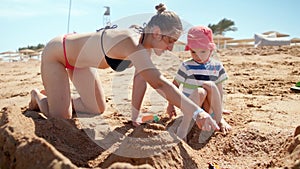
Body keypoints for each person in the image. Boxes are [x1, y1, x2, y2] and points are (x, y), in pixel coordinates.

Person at [29, 3, 219, 139]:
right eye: (170, 41)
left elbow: (141, 80)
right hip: (58, 53)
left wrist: (134, 114)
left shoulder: (146, 48)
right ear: (156, 32)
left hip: (81, 63)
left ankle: (59, 98)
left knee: (96, 109)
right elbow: (159, 82)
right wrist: (197, 112)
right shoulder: (131, 41)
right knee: (62, 118)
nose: (170, 48)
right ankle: (38, 96)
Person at [166, 26, 232, 134]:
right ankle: (184, 126)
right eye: (193, 52)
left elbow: (219, 91)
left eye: (202, 51)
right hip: (190, 108)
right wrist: (170, 105)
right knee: (200, 91)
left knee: (210, 85)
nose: (198, 56)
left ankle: (219, 120)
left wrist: (219, 109)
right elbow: (174, 86)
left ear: (211, 50)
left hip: (208, 109)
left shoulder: (217, 67)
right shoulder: (186, 66)